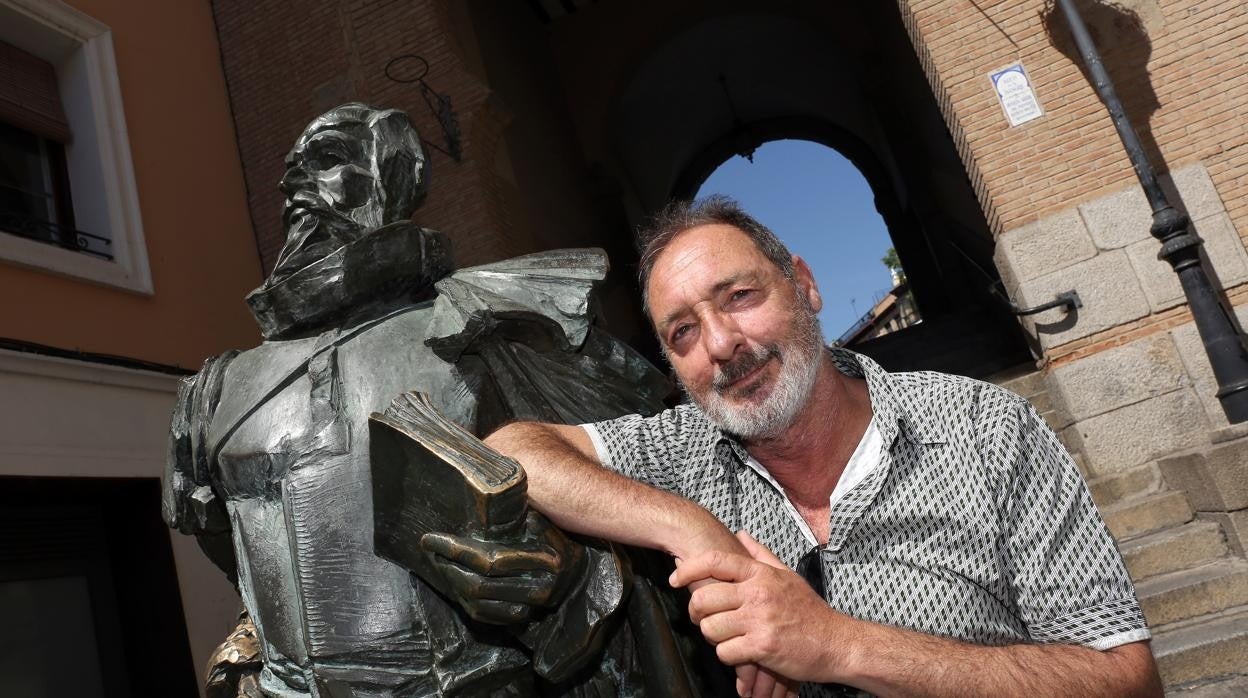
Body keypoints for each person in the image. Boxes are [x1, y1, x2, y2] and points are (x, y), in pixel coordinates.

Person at [479, 196, 1164, 697]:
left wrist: (833, 643)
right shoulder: (684, 451)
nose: (720, 344)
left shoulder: (986, 429)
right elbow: (517, 449)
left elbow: (1126, 679)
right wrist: (692, 529)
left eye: (739, 296)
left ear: (803, 285)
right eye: (683, 332)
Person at [164, 103, 716, 697]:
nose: (290, 181)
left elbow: (625, 522)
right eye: (293, 167)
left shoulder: (483, 331)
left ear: (389, 180)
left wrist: (560, 569)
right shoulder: (215, 391)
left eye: (325, 159)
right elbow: (229, 549)